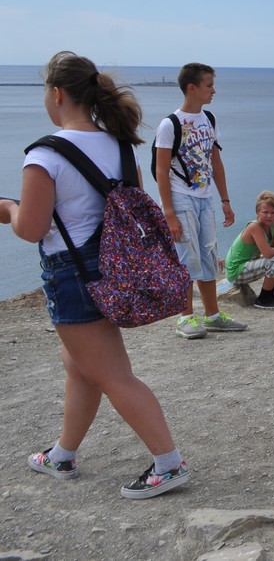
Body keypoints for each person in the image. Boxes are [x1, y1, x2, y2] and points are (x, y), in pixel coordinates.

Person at [1, 52, 190, 499]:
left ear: (56, 94)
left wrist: (7, 208)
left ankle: (169, 464)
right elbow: (125, 211)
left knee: (114, 375)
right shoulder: (120, 146)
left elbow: (31, 229)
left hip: (74, 274)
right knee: (80, 366)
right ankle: (62, 454)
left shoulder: (45, 155)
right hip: (115, 269)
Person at [154, 63, 246, 340]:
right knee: (186, 257)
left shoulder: (209, 119)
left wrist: (225, 199)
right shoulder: (170, 124)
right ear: (192, 88)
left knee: (208, 255)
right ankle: (185, 318)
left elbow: (215, 161)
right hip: (181, 198)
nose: (213, 90)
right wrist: (168, 213)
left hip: (205, 198)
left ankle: (213, 315)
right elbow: (161, 170)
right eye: (209, 85)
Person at [224, 190, 274, 310]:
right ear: (257, 212)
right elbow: (267, 252)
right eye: (265, 212)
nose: (269, 216)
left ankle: (273, 292)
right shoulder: (254, 227)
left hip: (248, 264)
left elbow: (273, 245)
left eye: (273, 212)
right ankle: (264, 299)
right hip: (236, 270)